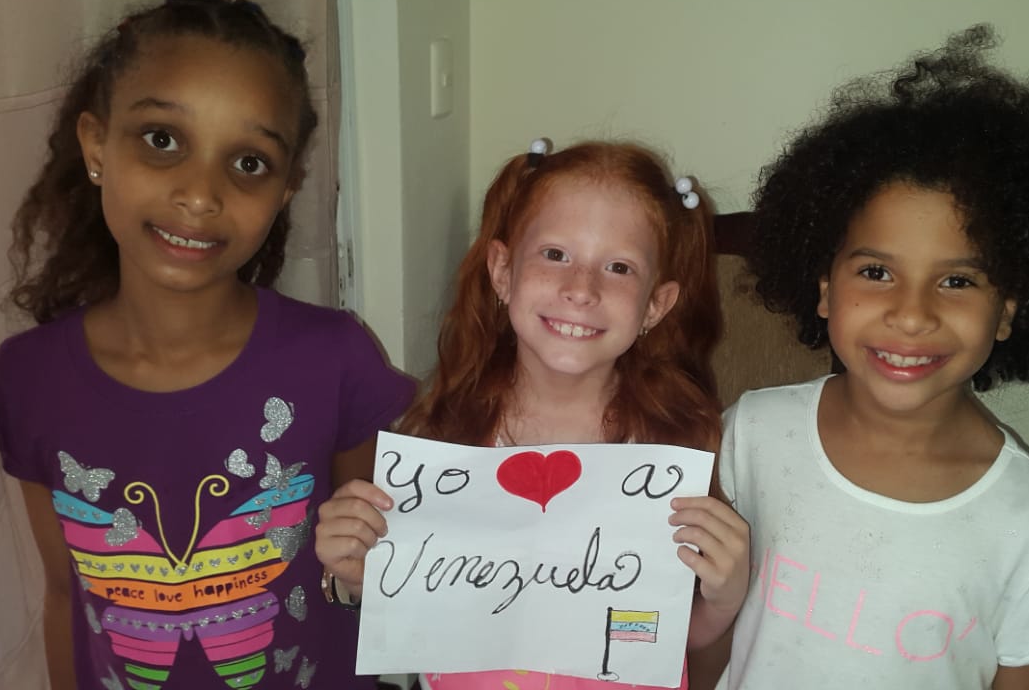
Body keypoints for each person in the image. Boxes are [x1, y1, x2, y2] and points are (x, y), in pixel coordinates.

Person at [0, 0, 414, 690]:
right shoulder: (28, 380)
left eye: (248, 163)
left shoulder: (334, 361)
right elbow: (66, 594)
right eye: (163, 140)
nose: (200, 195)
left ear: (285, 189)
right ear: (96, 147)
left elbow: (376, 573)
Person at [716, 25, 1029, 689]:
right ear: (824, 289)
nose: (912, 314)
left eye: (958, 280)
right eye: (877, 272)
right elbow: (699, 639)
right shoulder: (749, 434)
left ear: (1007, 311)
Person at [314, 139, 751, 689]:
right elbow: (415, 609)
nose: (581, 289)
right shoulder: (441, 440)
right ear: (502, 272)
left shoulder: (673, 446)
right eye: (555, 254)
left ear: (655, 306)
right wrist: (356, 577)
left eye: (618, 267)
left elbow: (668, 634)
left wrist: (725, 595)